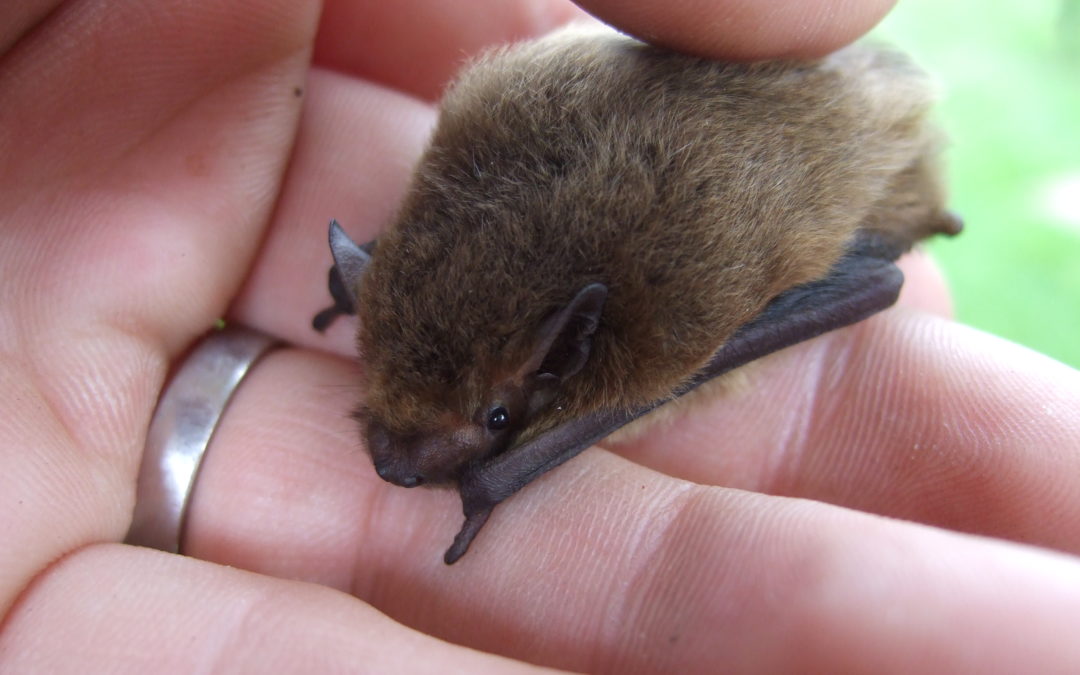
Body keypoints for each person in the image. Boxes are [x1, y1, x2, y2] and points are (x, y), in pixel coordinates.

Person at [2, 0, 1079, 671]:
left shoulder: (670, 308)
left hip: (849, 159)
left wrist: (502, 449)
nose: (398, 459)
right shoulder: (464, 177)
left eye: (494, 423)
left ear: (567, 361)